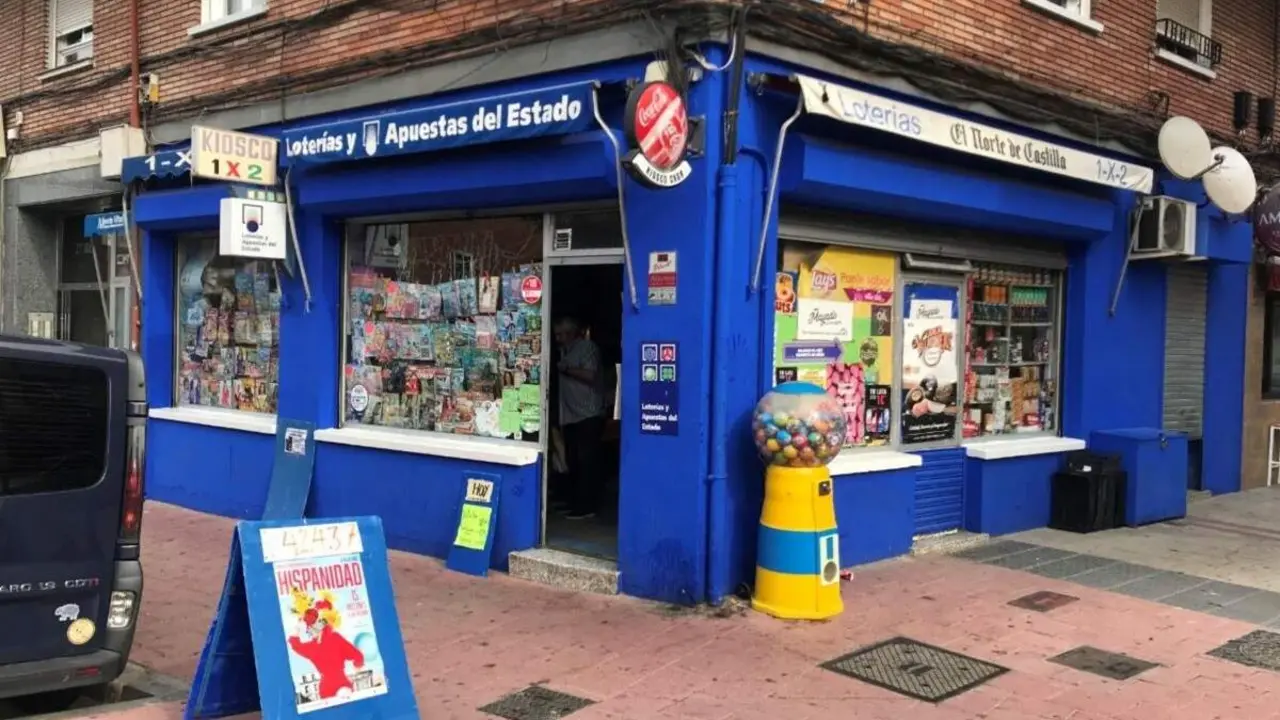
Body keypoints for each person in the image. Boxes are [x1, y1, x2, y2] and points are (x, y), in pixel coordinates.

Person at [553, 317, 606, 520]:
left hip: (588, 413)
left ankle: (587, 506)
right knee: (573, 460)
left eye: (562, 334)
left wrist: (565, 369)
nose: (558, 339)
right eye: (557, 335)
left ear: (572, 333)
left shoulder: (587, 348)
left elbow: (590, 375)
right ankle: (574, 503)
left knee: (587, 462)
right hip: (570, 415)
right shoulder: (564, 351)